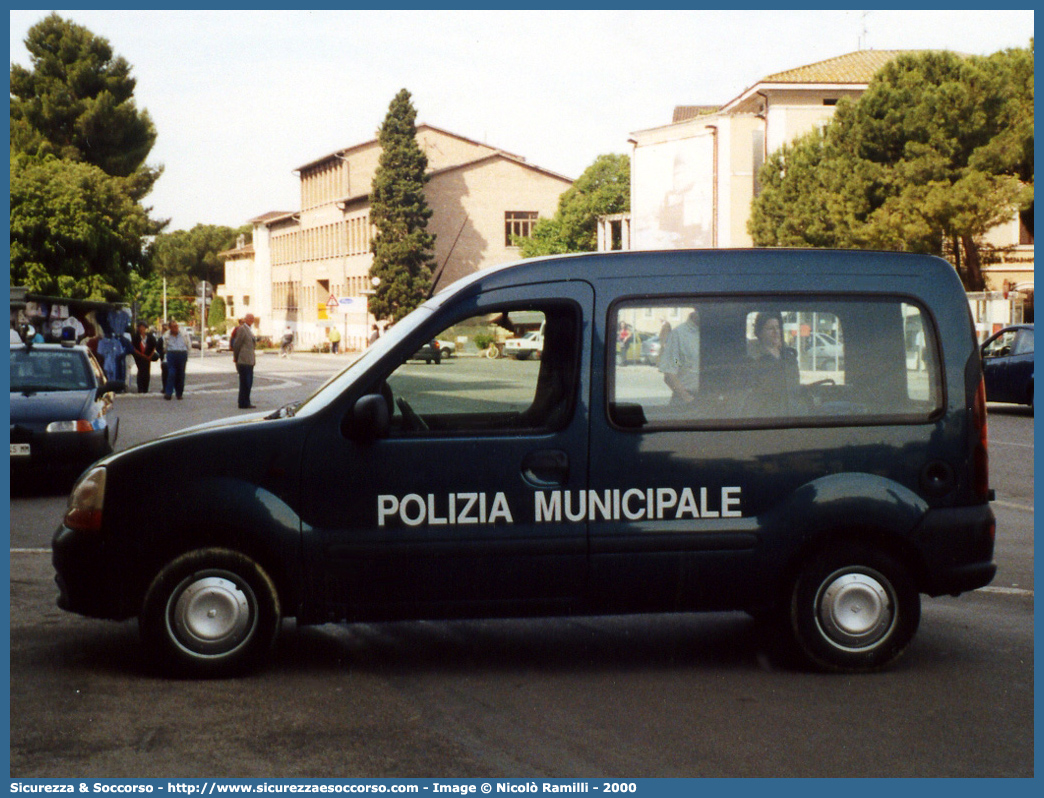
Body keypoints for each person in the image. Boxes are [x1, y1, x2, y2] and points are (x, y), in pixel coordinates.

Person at [746, 311, 801, 416]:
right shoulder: (753, 360)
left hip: (792, 414)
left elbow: (795, 389)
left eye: (777, 327)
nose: (776, 332)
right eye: (770, 329)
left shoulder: (789, 356)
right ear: (760, 332)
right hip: (767, 417)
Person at [658, 310, 700, 405]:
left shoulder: (715, 334)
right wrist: (687, 398)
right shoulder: (679, 334)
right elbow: (670, 372)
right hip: (686, 400)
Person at [232, 313, 257, 409]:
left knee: (249, 383)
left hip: (249, 360)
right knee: (245, 382)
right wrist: (236, 358)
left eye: (253, 318)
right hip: (243, 360)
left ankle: (246, 401)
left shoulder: (249, 329)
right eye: (250, 318)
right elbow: (237, 344)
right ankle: (243, 402)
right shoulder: (242, 329)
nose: (251, 320)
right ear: (245, 319)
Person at [162, 321, 190, 400]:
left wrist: (187, 354)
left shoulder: (184, 334)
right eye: (173, 326)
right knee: (171, 373)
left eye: (176, 326)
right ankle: (168, 393)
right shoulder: (167, 335)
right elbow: (165, 346)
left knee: (181, 374)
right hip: (172, 353)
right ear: (170, 328)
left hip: (182, 353)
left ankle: (179, 393)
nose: (176, 328)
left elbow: (188, 344)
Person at [130, 322, 159, 394]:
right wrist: (141, 355)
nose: (142, 329)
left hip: (148, 356)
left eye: (143, 327)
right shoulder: (135, 337)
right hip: (139, 357)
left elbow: (154, 346)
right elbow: (133, 347)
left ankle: (146, 388)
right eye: (140, 327)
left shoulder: (150, 336)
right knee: (141, 370)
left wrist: (150, 356)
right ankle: (140, 388)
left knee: (146, 371)